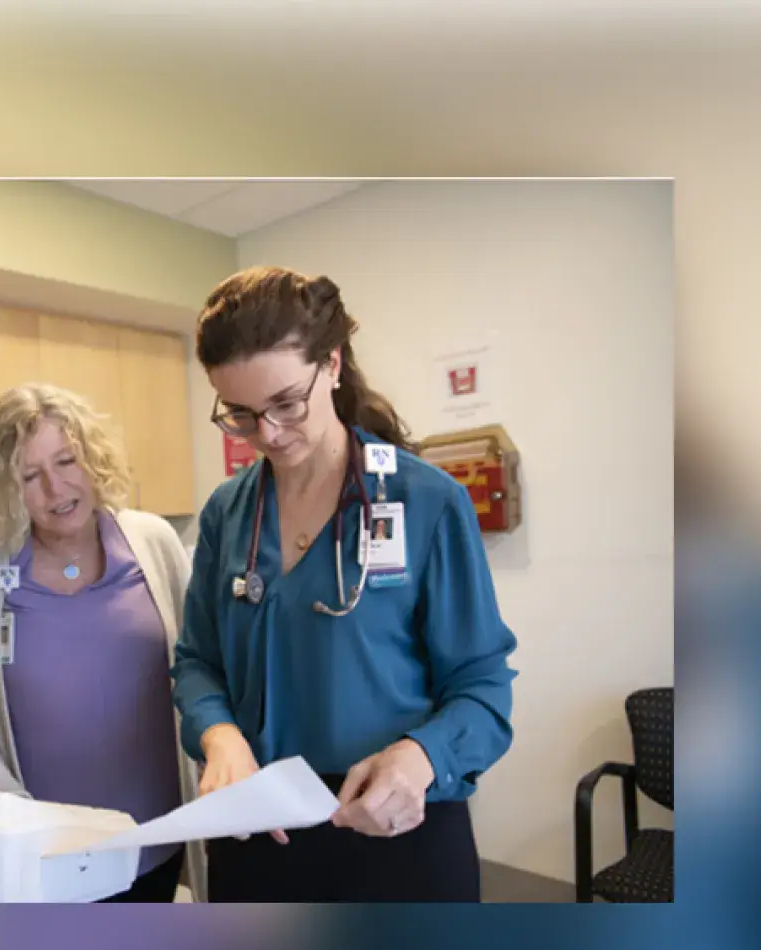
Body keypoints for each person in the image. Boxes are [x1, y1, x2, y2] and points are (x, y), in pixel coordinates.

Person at [172, 266, 519, 902]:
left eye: (285, 404)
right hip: (259, 830)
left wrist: (421, 757)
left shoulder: (426, 502)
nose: (267, 435)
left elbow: (483, 690)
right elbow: (197, 663)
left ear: (331, 364)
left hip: (395, 829)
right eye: (242, 416)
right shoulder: (228, 513)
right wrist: (219, 737)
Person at [0, 383, 206, 902]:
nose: (56, 491)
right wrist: (2, 795)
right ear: (6, 488)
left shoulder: (152, 542)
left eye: (67, 461)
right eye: (30, 476)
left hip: (154, 835)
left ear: (93, 458)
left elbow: (201, 663)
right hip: (44, 851)